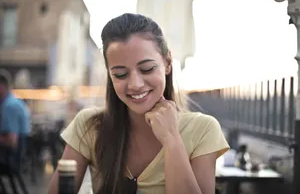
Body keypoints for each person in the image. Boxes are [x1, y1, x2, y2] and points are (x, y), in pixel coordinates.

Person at [49, 13, 229, 194]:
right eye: (120, 74)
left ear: (167, 63)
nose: (135, 84)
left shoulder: (203, 129)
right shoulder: (89, 125)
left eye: (147, 69)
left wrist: (171, 139)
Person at [0, 71, 30, 168]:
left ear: (1, 87)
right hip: (17, 155)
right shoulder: (13, 101)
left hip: (10, 158)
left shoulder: (9, 106)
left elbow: (11, 142)